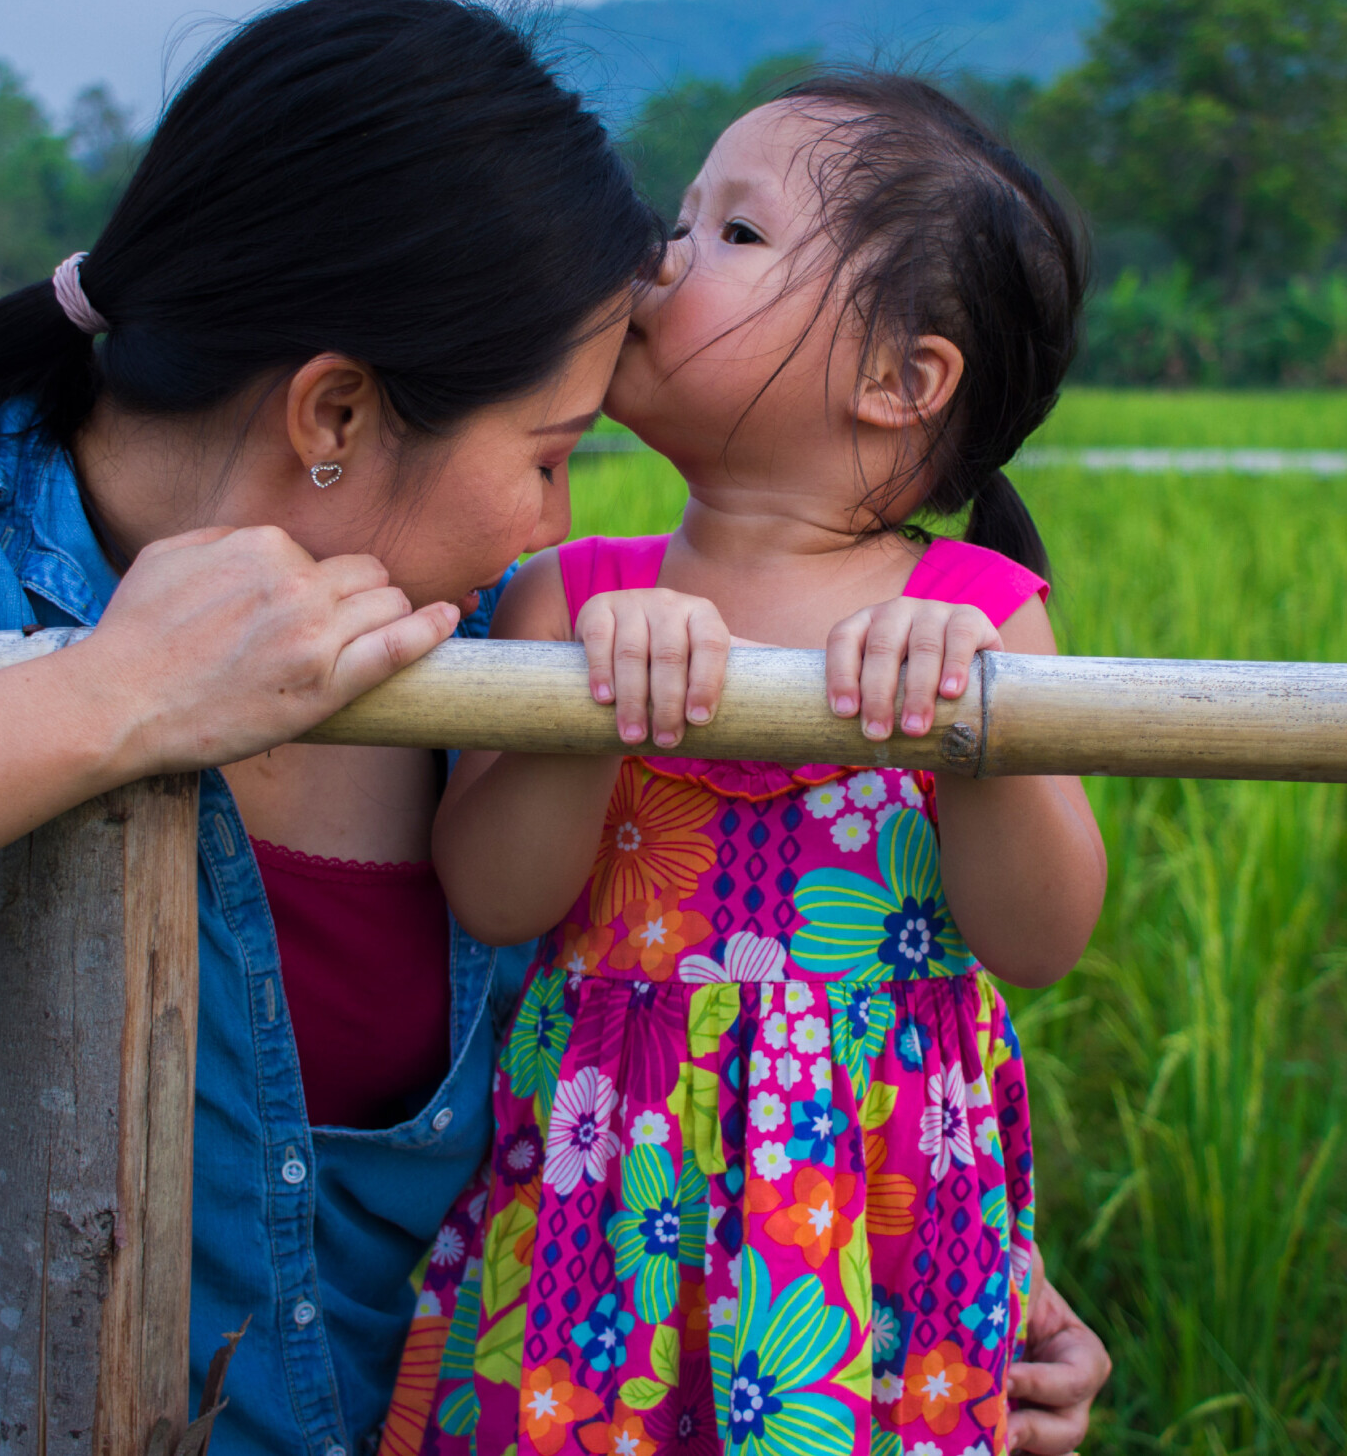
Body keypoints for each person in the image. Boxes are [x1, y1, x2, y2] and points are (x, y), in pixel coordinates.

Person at [0, 0, 1111, 1451]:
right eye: (551, 448)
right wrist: (106, 703)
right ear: (337, 414)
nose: (552, 517)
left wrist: (931, 1280)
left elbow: (661, 1016)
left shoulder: (509, 631)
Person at [384, 74, 1109, 1455]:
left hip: (873, 1226)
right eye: (682, 213)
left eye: (734, 233)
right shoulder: (572, 590)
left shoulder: (978, 608)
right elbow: (492, 893)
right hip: (605, 1210)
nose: (659, 254)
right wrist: (594, 698)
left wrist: (974, 723)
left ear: (903, 379)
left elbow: (1042, 932)